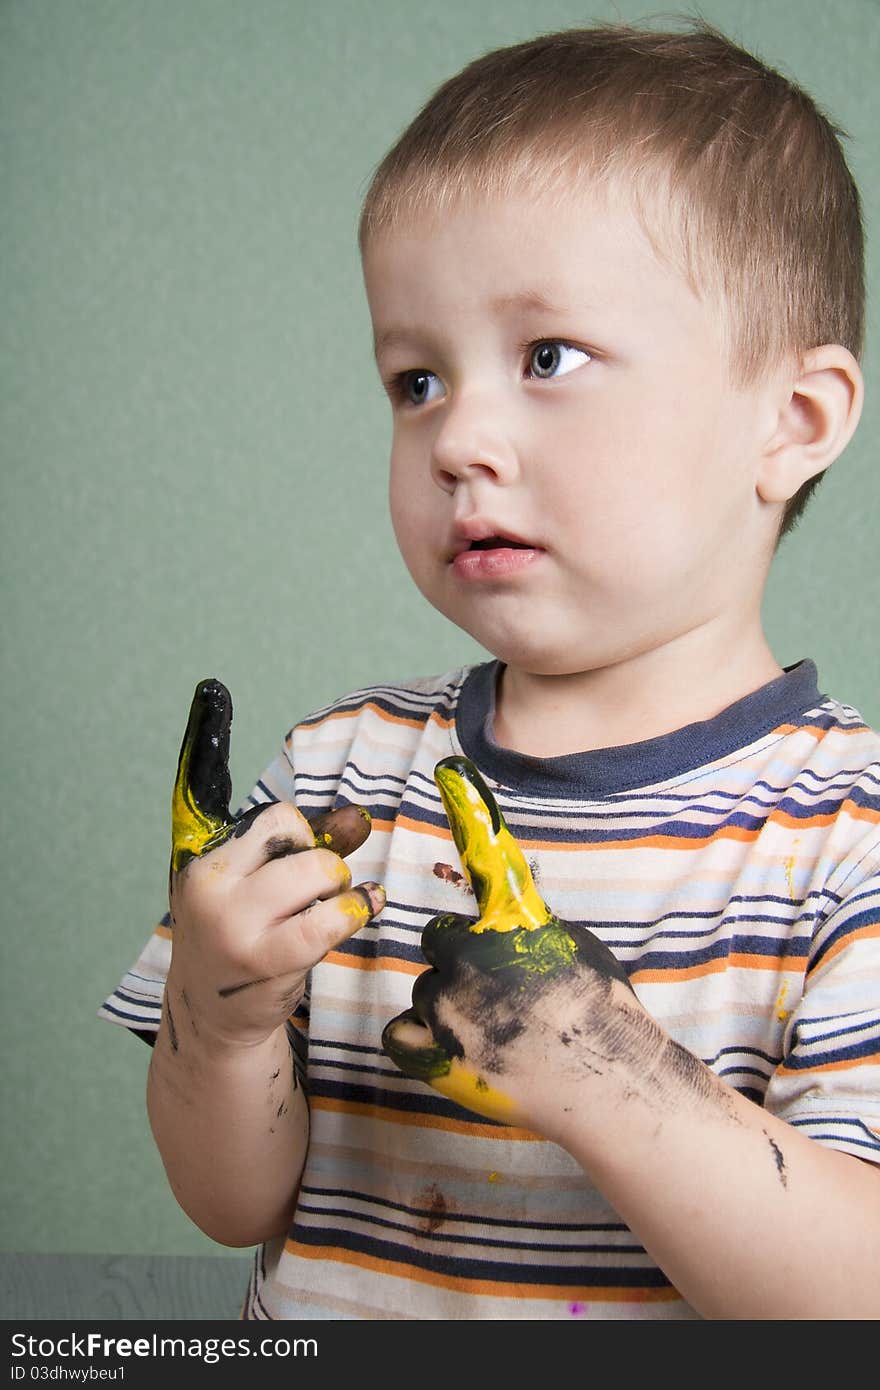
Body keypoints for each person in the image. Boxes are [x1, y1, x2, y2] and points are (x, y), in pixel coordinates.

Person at [100, 21, 880, 1319]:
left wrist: (606, 1068)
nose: (459, 431)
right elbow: (231, 1200)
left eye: (548, 357)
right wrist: (222, 1012)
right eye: (415, 378)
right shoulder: (339, 772)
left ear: (788, 423)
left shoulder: (848, 833)